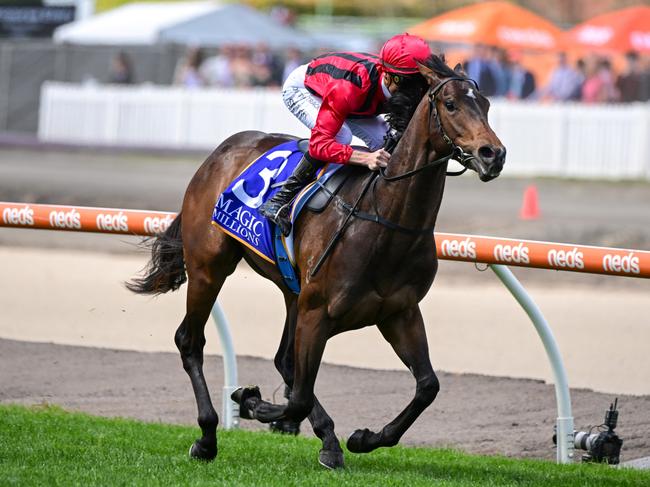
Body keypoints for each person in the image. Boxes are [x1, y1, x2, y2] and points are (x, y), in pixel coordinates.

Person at [258, 33, 432, 236]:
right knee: (341, 136)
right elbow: (319, 146)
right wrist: (365, 157)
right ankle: (280, 200)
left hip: (356, 103)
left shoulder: (398, 79)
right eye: (413, 82)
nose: (418, 89)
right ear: (391, 76)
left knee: (382, 141)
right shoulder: (348, 88)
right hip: (307, 90)